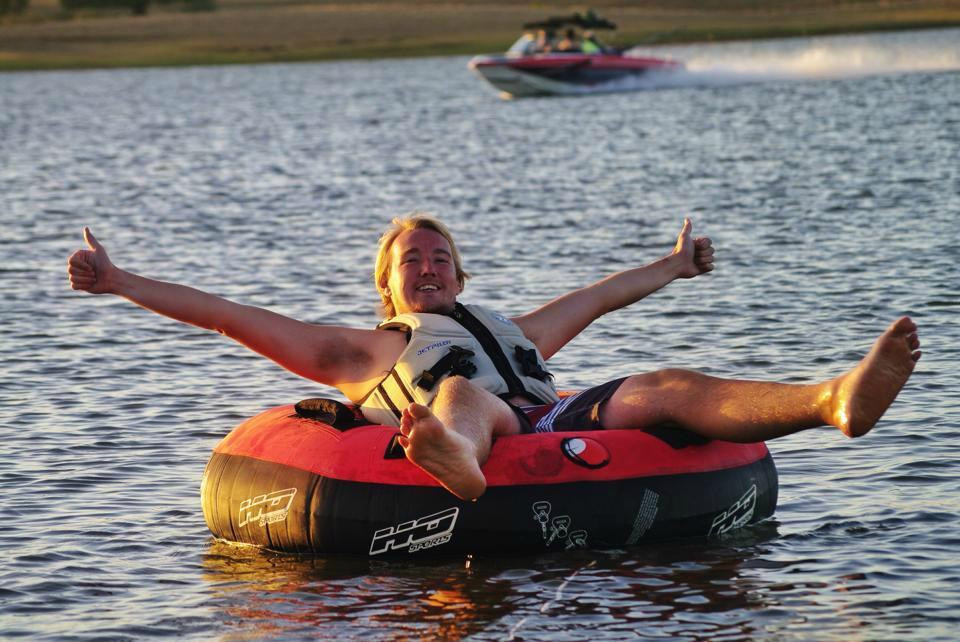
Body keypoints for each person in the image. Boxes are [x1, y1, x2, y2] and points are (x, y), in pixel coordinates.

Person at [67, 216, 921, 501]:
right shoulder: (365, 348)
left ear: (462, 276)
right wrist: (118, 281)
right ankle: (459, 469)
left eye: (441, 258)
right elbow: (224, 314)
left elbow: (599, 297)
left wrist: (673, 265)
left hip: (548, 416)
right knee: (467, 402)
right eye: (413, 261)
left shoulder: (511, 327)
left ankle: (832, 401)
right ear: (389, 288)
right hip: (470, 427)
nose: (429, 267)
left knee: (665, 384)